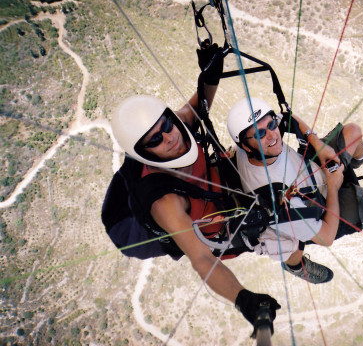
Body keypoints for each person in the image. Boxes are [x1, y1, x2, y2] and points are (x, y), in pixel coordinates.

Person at [110, 46, 280, 335]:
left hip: (218, 186)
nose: (168, 137)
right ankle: (296, 260)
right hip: (197, 218)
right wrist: (244, 299)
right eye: (154, 140)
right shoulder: (165, 202)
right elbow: (201, 258)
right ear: (143, 152)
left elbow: (199, 105)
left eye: (166, 124)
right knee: (268, 224)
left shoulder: (179, 125)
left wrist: (210, 73)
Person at [226, 97, 363, 283]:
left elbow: (289, 119)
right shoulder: (275, 202)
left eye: (272, 125)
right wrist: (333, 185)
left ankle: (357, 157)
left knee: (353, 131)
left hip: (314, 170)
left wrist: (317, 143)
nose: (273, 135)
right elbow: (326, 237)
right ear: (245, 145)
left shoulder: (249, 148)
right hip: (323, 205)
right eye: (259, 134)